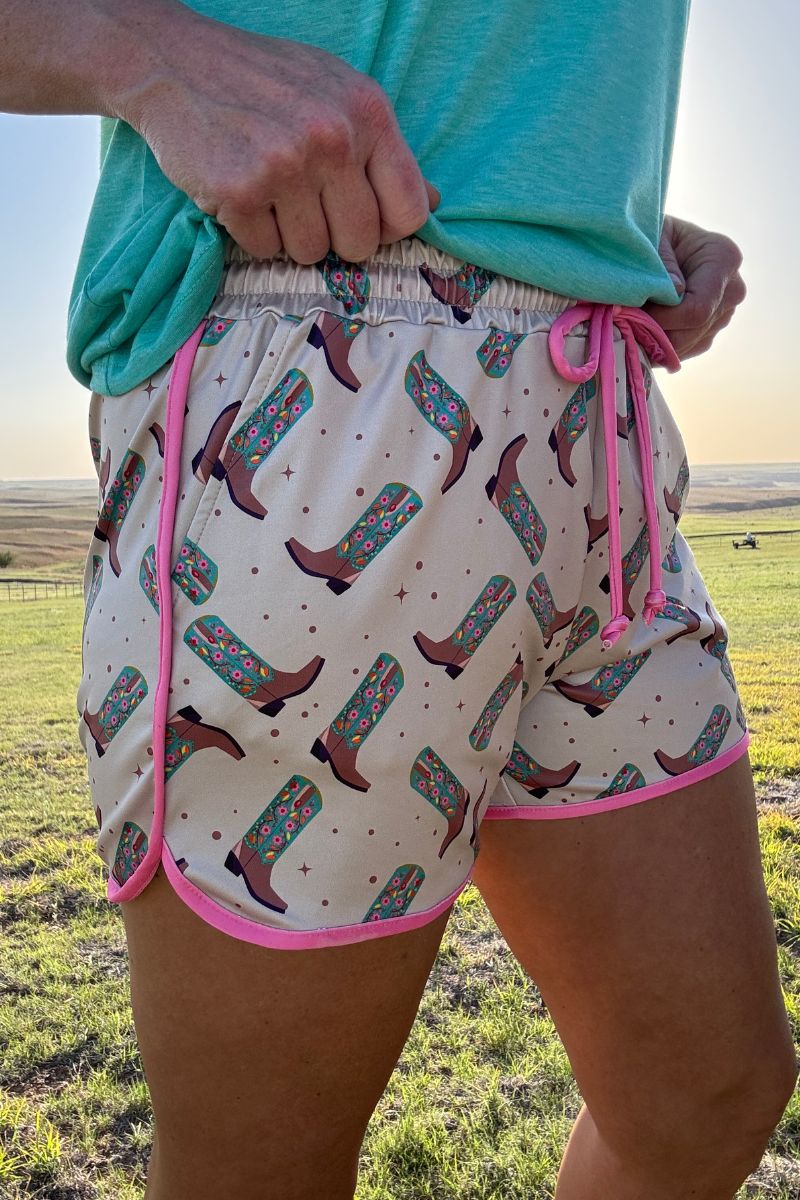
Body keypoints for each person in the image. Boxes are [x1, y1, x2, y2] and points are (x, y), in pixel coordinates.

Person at [3, 3, 795, 1199]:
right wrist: (149, 55)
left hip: (599, 420)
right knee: (259, 1169)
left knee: (706, 1099)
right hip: (312, 377)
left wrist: (604, 220)